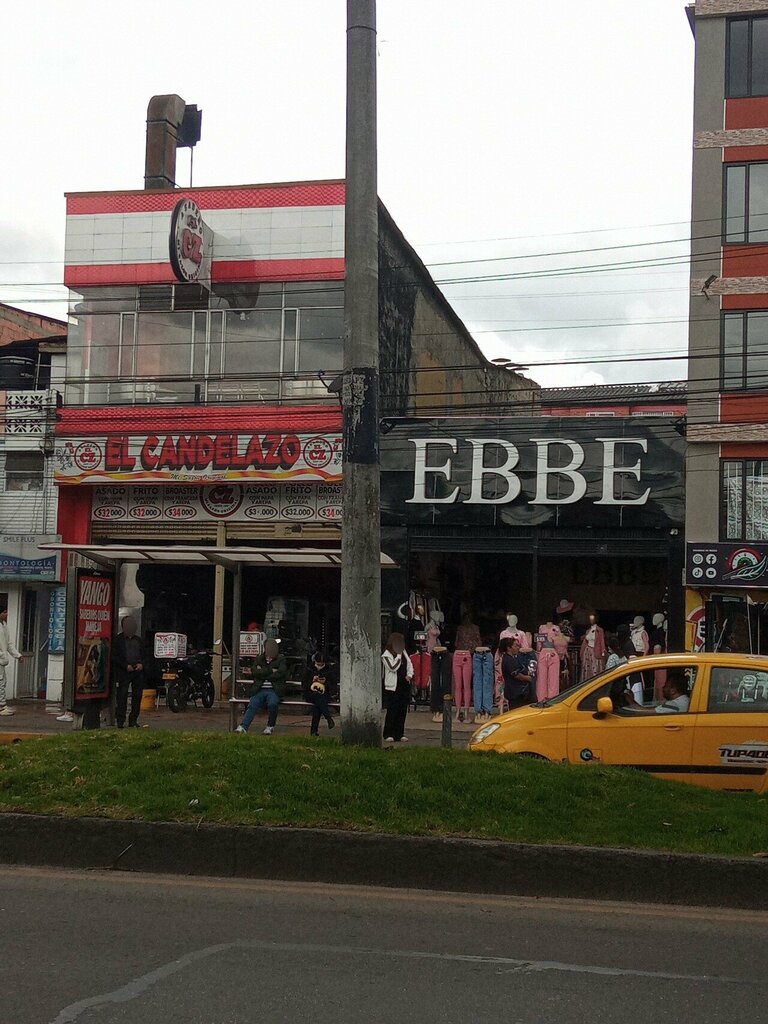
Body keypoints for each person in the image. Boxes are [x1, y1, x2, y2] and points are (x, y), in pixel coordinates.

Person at [236, 638, 289, 735]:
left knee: (273, 704)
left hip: (274, 690)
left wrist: (263, 672)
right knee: (252, 704)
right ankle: (243, 726)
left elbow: (281, 673)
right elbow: (255, 672)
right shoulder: (259, 658)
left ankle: (270, 726)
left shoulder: (281, 658)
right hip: (259, 689)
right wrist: (271, 670)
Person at [112, 616, 147, 729]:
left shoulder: (139, 640)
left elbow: (145, 656)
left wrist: (142, 664)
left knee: (137, 696)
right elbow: (114, 657)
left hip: (138, 672)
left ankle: (133, 720)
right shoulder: (118, 640)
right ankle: (120, 721)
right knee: (122, 696)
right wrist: (125, 665)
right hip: (124, 672)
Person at [381, 632, 413, 743]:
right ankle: (388, 733)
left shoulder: (404, 652)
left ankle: (399, 733)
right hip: (392, 687)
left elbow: (409, 663)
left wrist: (410, 675)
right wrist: (398, 655)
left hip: (403, 684)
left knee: (402, 710)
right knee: (392, 710)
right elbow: (393, 667)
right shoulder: (386, 655)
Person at [302, 651, 337, 737]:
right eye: (318, 664)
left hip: (324, 694)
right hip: (310, 693)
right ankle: (328, 718)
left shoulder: (329, 670)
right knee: (319, 699)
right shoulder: (309, 669)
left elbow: (333, 685)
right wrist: (312, 681)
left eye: (322, 664)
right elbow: (304, 685)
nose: (320, 666)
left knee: (318, 705)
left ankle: (314, 731)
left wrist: (325, 683)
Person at [624, 671, 690, 714]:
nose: (663, 688)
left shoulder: (674, 705)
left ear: (673, 690)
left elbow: (643, 712)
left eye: (666, 686)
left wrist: (629, 699)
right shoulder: (686, 700)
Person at [0, 606, 23, 717]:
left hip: (1, 661)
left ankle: (2, 705)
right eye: (4, 612)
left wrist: (17, 655)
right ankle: (1, 706)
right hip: (0, 658)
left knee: (2, 682)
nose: (6, 614)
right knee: (0, 682)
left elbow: (8, 644)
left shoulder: (4, 626)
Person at [500, 637, 533, 709]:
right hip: (515, 693)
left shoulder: (514, 658)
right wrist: (527, 678)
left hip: (520, 693)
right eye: (515, 646)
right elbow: (516, 675)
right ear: (509, 648)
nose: (518, 648)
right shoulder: (508, 660)